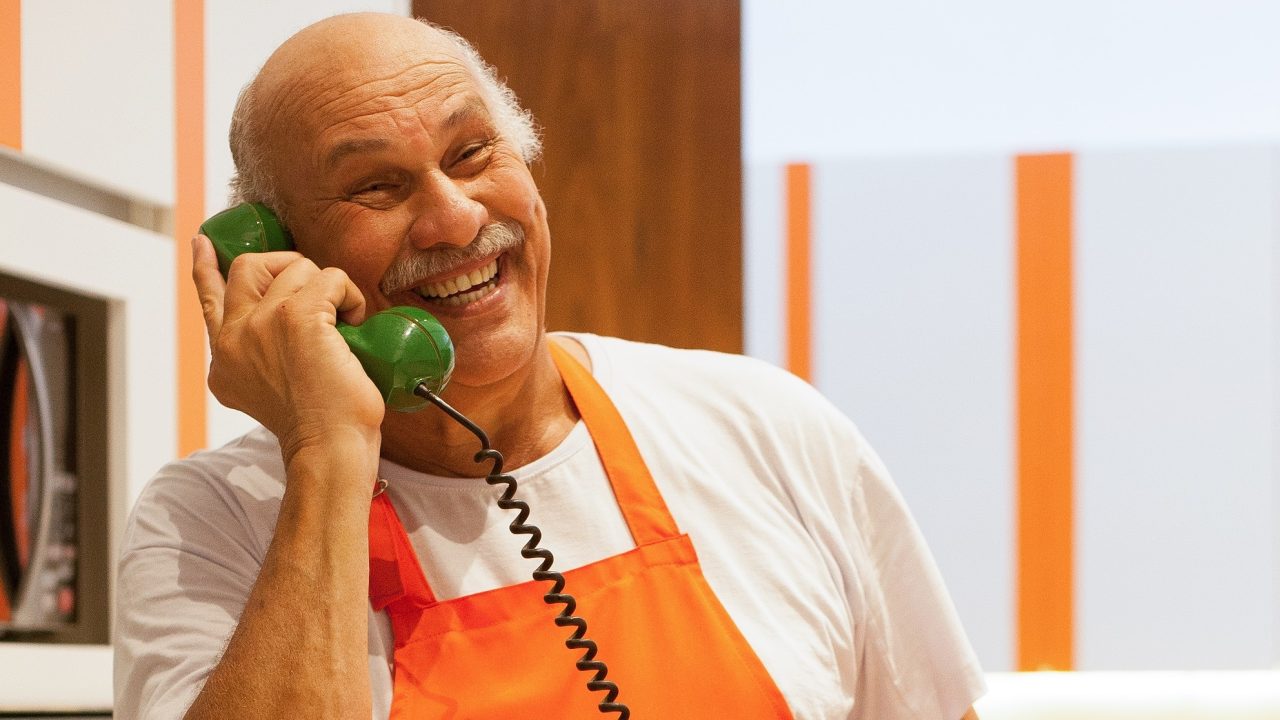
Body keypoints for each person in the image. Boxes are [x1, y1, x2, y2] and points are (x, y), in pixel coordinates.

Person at [114, 12, 985, 720]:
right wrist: (326, 450)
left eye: (471, 154)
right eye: (377, 187)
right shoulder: (211, 528)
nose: (454, 219)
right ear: (278, 255)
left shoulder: (765, 428)